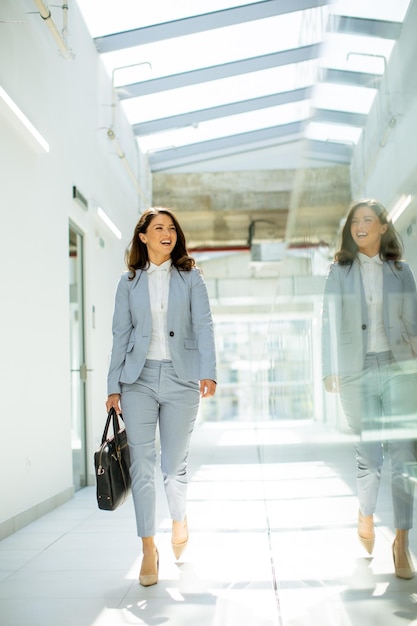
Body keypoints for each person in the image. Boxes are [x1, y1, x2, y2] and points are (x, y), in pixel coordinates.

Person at [106, 207, 217, 587]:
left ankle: (180, 519)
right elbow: (120, 334)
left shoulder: (191, 277)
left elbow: (204, 324)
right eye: (159, 228)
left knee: (173, 467)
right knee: (142, 465)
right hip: (137, 380)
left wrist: (209, 371)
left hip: (182, 377)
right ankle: (148, 548)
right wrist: (112, 385)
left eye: (171, 228)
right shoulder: (129, 282)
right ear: (143, 237)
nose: (167, 233)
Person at [322, 198, 417, 579]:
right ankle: (365, 513)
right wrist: (330, 369)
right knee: (370, 461)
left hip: (397, 367)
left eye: (368, 220)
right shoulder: (339, 271)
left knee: (402, 456)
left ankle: (401, 541)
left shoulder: (401, 271)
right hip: (355, 370)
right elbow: (328, 319)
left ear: (382, 227)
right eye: (355, 221)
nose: (360, 225)